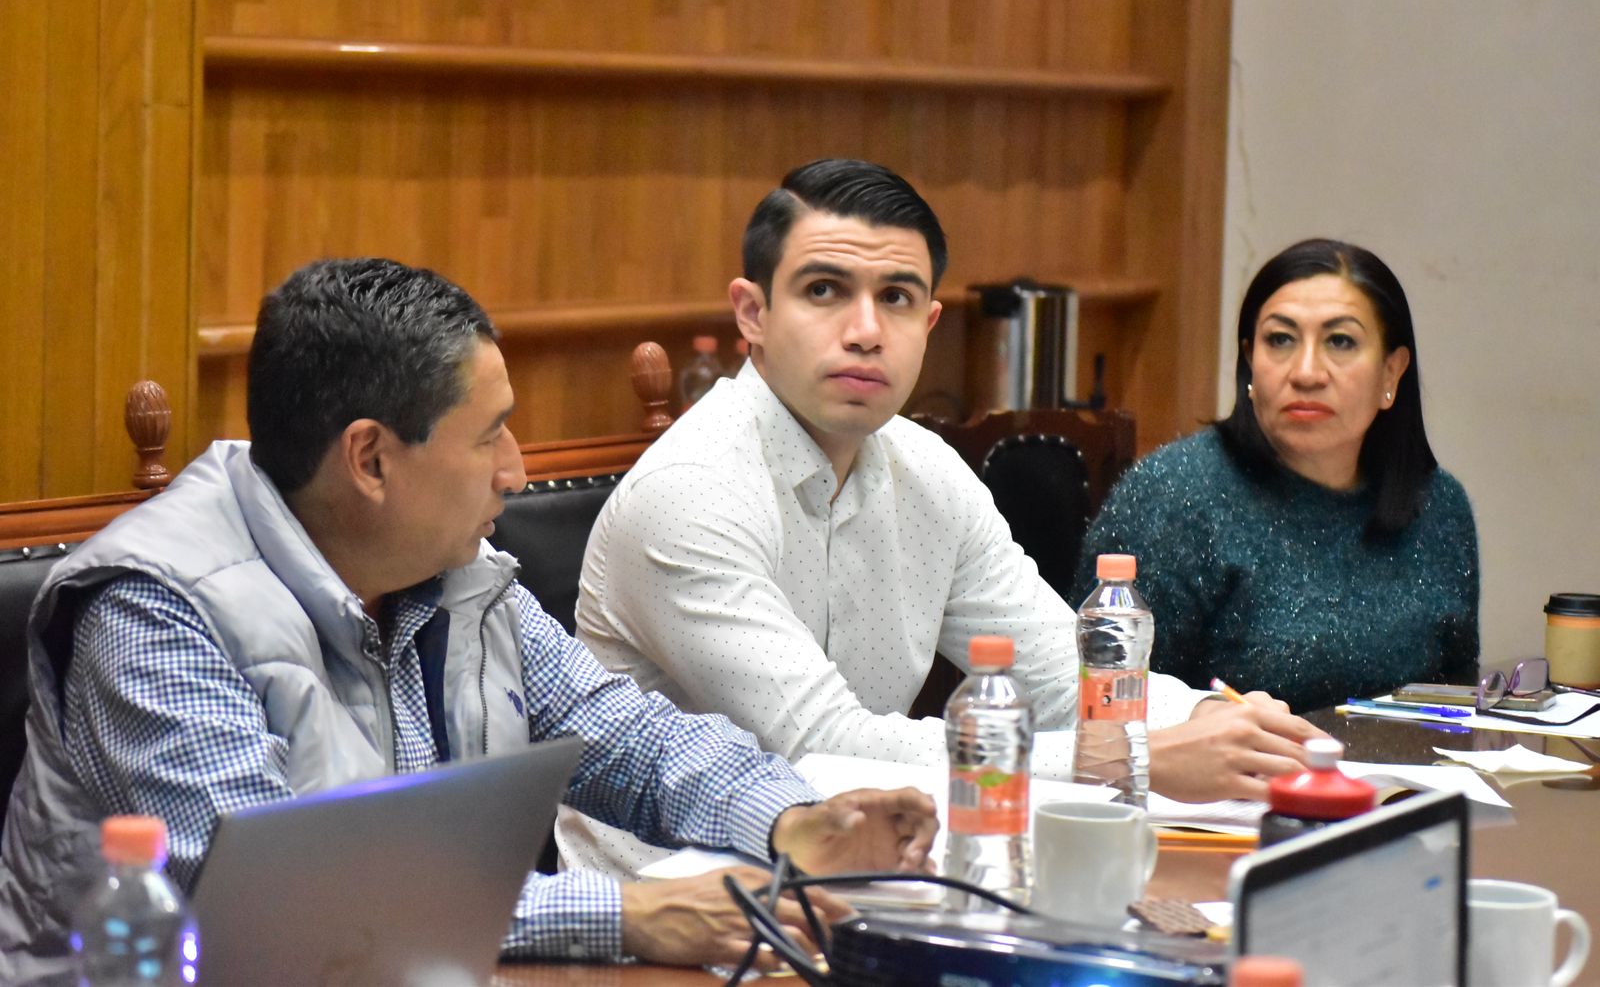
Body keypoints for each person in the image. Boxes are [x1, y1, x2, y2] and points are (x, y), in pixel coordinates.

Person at [0, 258, 937, 984]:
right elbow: (282, 913)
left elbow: (627, 739)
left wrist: (790, 822)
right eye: (490, 434)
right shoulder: (152, 613)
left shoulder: (453, 570)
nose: (516, 472)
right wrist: (631, 914)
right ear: (370, 460)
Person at [573, 158, 1323, 863]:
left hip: (870, 872)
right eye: (824, 290)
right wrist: (1128, 758)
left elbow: (1060, 676)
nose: (866, 331)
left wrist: (1207, 723)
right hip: (676, 901)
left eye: (896, 298)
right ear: (753, 313)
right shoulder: (689, 492)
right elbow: (819, 749)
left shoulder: (927, 471)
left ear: (928, 325)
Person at [1076, 238, 1479, 712]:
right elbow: (1099, 703)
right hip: (1223, 762)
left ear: (1391, 372)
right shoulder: (1172, 496)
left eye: (1340, 341)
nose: (1306, 373)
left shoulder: (1437, 506)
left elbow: (1457, 694)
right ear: (1250, 362)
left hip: (1405, 763)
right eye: (1281, 340)